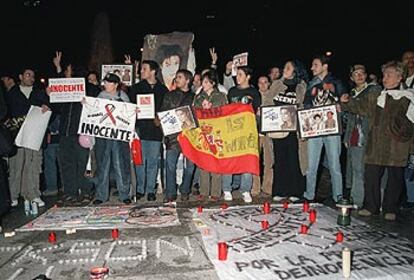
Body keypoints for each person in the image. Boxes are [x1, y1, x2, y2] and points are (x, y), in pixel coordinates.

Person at [340, 61, 414, 221]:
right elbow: (363, 108)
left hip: (397, 146)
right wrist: (346, 104)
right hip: (376, 144)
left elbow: (411, 126)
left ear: (399, 77)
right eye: (384, 75)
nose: (385, 78)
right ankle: (371, 206)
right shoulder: (380, 96)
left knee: (395, 178)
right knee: (371, 176)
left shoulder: (408, 98)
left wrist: (411, 148)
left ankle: (390, 208)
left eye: (389, 75)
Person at [303, 54, 346, 203]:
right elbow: (306, 104)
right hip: (315, 129)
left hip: (331, 128)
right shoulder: (311, 83)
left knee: (334, 164)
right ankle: (309, 195)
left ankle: (338, 196)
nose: (312, 68)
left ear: (325, 66)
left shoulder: (336, 82)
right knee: (311, 165)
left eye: (315, 65)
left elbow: (345, 100)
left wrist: (341, 105)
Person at [263, 60, 308, 203]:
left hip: (294, 129)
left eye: (288, 68)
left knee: (294, 159)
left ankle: (295, 191)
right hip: (277, 128)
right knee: (279, 158)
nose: (285, 69)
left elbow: (304, 106)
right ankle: (280, 190)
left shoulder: (301, 86)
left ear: (295, 70)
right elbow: (267, 101)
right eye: (285, 67)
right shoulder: (277, 84)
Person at [5, 68, 50, 208]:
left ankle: (33, 194)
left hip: (35, 137)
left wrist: (46, 106)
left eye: (33, 76)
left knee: (34, 166)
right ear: (21, 76)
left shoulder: (39, 93)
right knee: (16, 167)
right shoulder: (11, 94)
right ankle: (13, 196)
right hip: (17, 137)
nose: (31, 78)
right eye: (28, 75)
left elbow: (50, 111)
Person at [128, 60, 168, 201]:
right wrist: (135, 111)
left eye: (144, 69)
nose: (141, 71)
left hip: (156, 131)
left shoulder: (163, 90)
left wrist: (160, 118)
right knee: (140, 161)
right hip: (140, 130)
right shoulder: (136, 88)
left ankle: (151, 190)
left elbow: (166, 109)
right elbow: (129, 107)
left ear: (153, 71)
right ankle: (140, 189)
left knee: (152, 162)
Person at [343, 64, 381, 208]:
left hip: (368, 136)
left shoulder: (374, 89)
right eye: (355, 74)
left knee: (363, 170)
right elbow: (350, 117)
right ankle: (357, 199)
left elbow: (366, 109)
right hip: (354, 136)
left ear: (366, 75)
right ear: (351, 78)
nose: (359, 76)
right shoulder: (352, 92)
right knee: (354, 169)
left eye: (361, 73)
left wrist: (347, 103)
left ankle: (360, 201)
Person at [91, 73, 132, 205]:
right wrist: (86, 105)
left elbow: (128, 116)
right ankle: (101, 195)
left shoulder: (123, 97)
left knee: (120, 163)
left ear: (115, 85)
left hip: (118, 137)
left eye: (109, 83)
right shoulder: (100, 97)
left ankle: (124, 194)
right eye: (105, 82)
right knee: (103, 163)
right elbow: (92, 113)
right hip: (103, 136)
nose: (106, 85)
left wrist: (133, 112)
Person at [223, 66, 261, 203]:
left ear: (248, 76)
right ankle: (227, 189)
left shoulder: (254, 92)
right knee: (230, 159)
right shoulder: (232, 91)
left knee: (247, 160)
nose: (237, 77)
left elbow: (256, 113)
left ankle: (245, 190)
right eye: (236, 75)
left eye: (240, 74)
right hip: (232, 131)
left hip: (247, 132)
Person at [160, 69, 195, 202]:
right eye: (176, 77)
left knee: (190, 167)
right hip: (173, 136)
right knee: (170, 166)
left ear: (187, 80)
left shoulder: (194, 97)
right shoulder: (169, 95)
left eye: (179, 77)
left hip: (190, 137)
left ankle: (185, 190)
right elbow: (164, 114)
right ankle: (170, 193)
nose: (176, 79)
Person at [193, 70, 228, 200]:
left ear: (213, 83)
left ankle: (215, 192)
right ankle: (203, 190)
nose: (204, 83)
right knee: (203, 162)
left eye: (207, 81)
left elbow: (226, 114)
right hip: (202, 133)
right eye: (203, 81)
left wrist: (212, 109)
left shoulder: (221, 96)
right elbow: (194, 114)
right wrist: (201, 109)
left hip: (217, 133)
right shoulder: (198, 97)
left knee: (216, 162)